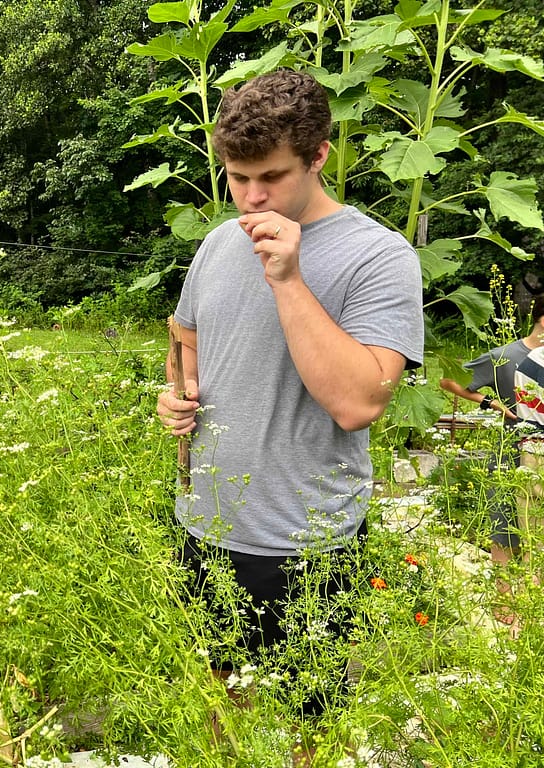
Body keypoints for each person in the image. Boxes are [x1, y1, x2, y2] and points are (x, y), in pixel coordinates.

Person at [156, 69, 424, 718]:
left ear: (319, 156)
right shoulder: (218, 244)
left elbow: (359, 402)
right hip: (206, 529)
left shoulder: (379, 257)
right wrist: (175, 394)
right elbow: (182, 338)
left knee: (306, 726)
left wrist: (288, 278)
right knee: (218, 708)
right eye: (236, 176)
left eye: (270, 177)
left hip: (307, 544)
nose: (250, 198)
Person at [438, 295, 544, 607]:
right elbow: (450, 380)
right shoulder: (506, 356)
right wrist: (489, 402)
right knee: (504, 526)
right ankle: (504, 603)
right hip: (509, 452)